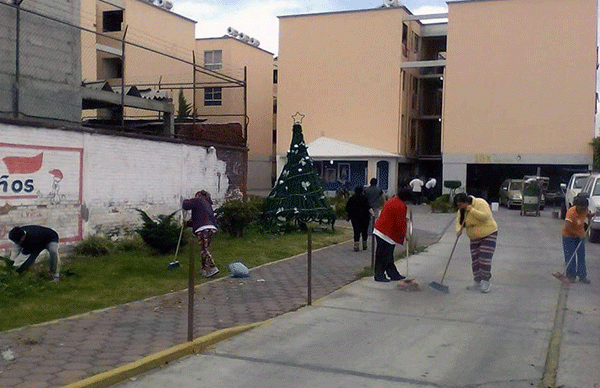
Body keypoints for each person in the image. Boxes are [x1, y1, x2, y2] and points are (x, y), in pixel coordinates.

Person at [454, 193, 498, 293]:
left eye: (461, 204)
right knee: (475, 260)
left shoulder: (480, 203)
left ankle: (485, 281)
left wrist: (471, 210)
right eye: (458, 205)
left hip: (488, 233)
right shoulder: (461, 210)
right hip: (474, 237)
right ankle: (477, 281)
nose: (459, 207)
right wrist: (458, 230)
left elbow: (485, 217)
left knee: (484, 258)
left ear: (466, 201)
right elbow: (458, 222)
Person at [372, 189, 412, 282]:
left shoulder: (393, 200)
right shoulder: (401, 205)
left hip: (380, 230)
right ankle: (379, 275)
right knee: (384, 256)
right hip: (386, 233)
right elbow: (400, 223)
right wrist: (405, 235)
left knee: (387, 255)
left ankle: (393, 274)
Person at [182, 190, 220, 277]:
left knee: (204, 250)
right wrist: (187, 224)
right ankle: (203, 270)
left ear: (199, 195)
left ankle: (213, 267)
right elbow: (199, 218)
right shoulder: (207, 204)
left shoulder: (198, 200)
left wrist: (184, 200)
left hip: (203, 229)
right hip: (211, 228)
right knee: (204, 249)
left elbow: (186, 205)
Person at [561, 196, 591, 283]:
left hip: (580, 236)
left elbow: (586, 215)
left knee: (581, 256)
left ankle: (582, 276)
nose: (583, 210)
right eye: (581, 208)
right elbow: (568, 227)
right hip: (568, 236)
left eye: (585, 208)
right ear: (577, 206)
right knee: (570, 256)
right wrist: (578, 234)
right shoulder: (571, 212)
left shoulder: (585, 210)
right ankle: (570, 276)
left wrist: (592, 215)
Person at [345, 186, 373, 251]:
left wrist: (348, 216)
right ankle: (364, 244)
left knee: (356, 231)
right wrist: (372, 214)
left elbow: (347, 208)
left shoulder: (352, 198)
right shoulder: (365, 198)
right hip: (365, 217)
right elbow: (368, 207)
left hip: (355, 218)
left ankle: (356, 246)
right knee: (364, 231)